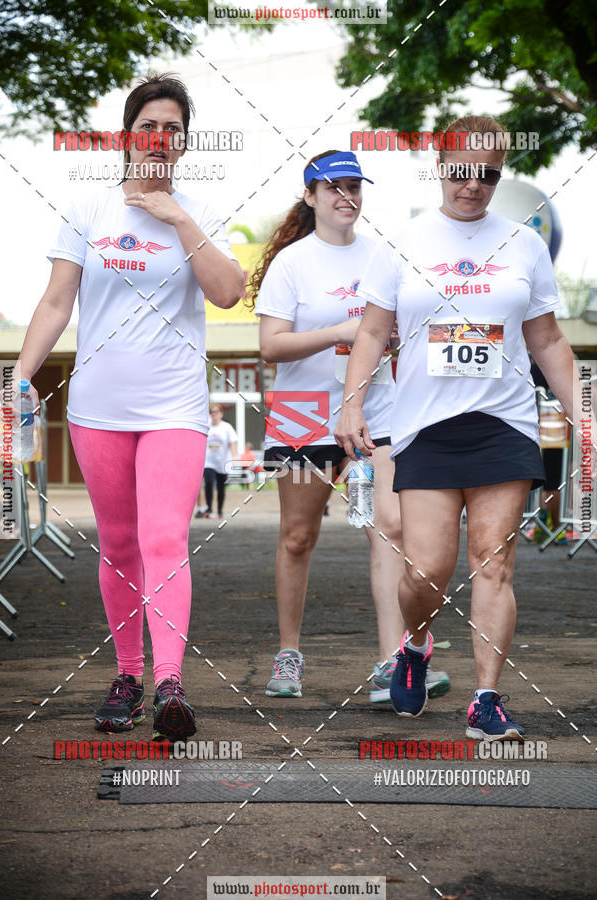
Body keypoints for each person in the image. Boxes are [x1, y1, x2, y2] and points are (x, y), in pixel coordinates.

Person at [335, 115, 579, 741]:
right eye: (463, 170)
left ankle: (487, 700)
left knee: (493, 563)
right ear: (441, 165)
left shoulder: (522, 245)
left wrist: (584, 415)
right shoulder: (405, 242)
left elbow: (547, 340)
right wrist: (352, 404)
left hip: (503, 422)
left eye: (489, 174)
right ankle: (415, 645)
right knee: (426, 572)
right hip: (425, 426)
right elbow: (370, 332)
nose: (474, 185)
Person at [15, 73, 244, 739]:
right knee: (117, 544)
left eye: (174, 129)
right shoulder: (89, 210)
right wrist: (22, 376)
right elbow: (57, 301)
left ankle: (171, 682)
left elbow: (229, 292)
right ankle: (127, 675)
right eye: (150, 125)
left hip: (174, 404)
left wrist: (177, 217)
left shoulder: (198, 210)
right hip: (98, 407)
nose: (161, 138)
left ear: (183, 144)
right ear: (126, 136)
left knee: (164, 539)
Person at [249, 149, 450, 702]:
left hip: (376, 404)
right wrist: (345, 328)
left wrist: (388, 338)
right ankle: (289, 653)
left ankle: (392, 663)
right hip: (302, 409)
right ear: (310, 197)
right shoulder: (292, 263)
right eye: (333, 187)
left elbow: (402, 327)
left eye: (355, 186)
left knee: (390, 526)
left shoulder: (384, 257)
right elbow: (270, 346)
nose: (346, 196)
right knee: (297, 537)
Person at [530, 359, 568, 544]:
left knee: (544, 481)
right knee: (553, 481)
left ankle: (545, 522)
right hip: (553, 431)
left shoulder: (530, 368)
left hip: (533, 431)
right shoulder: (556, 365)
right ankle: (556, 526)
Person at [203, 404, 238, 517]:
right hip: (209, 461)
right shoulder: (206, 426)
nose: (214, 414)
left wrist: (234, 458)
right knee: (208, 482)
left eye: (216, 412)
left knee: (220, 487)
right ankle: (209, 509)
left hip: (222, 462)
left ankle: (219, 510)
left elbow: (232, 443)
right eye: (212, 412)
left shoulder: (226, 427)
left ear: (221, 414)